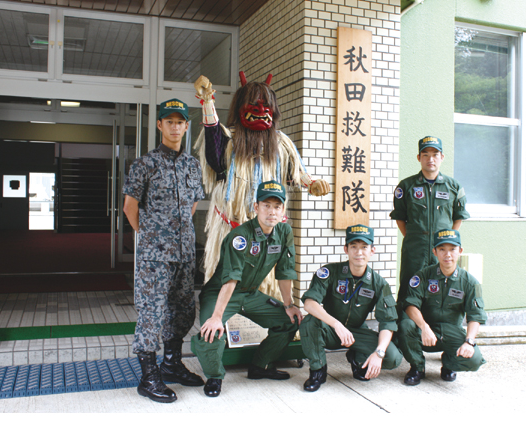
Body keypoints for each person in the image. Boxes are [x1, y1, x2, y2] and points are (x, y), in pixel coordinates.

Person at [192, 73, 329, 298]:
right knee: (228, 288)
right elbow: (214, 151)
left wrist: (312, 184)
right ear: (240, 106)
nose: (260, 109)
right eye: (254, 104)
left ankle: (271, 326)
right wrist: (208, 102)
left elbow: (295, 173)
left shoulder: (281, 143)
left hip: (268, 236)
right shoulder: (229, 141)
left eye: (266, 105)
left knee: (268, 293)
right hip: (232, 230)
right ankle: (223, 328)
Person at [122, 98, 206, 403]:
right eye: (168, 121)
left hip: (184, 254)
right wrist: (147, 235)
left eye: (179, 122)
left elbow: (194, 203)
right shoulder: (145, 164)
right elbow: (130, 207)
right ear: (159, 125)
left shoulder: (191, 164)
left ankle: (171, 364)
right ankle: (148, 376)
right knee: (151, 314)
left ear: (186, 126)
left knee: (182, 311)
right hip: (155, 257)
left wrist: (178, 230)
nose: (174, 127)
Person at [193, 180, 303, 398]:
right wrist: (217, 316)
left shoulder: (284, 232)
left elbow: (285, 271)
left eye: (277, 206)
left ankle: (260, 366)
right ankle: (215, 376)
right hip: (222, 293)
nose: (272, 212)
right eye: (266, 205)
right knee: (211, 331)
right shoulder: (241, 237)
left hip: (250, 294)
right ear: (256, 207)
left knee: (290, 321)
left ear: (283, 209)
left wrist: (289, 305)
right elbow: (231, 279)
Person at [299, 224, 402, 392]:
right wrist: (336, 325)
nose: (359, 252)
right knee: (310, 322)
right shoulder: (329, 272)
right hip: (331, 330)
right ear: (346, 249)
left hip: (356, 332)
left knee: (392, 357)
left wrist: (379, 353)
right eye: (354, 247)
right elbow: (310, 303)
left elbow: (388, 322)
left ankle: (358, 358)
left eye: (364, 247)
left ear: (372, 251)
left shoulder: (379, 283)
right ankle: (318, 370)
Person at [398, 229, 486, 386]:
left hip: (451, 332)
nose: (448, 255)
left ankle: (449, 364)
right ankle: (417, 367)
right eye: (442, 249)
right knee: (405, 325)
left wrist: (469, 342)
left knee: (475, 360)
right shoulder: (422, 276)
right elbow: (410, 305)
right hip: (425, 331)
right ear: (435, 252)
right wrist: (424, 327)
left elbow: (476, 316)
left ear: (460, 251)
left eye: (452, 249)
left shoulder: (470, 283)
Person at [390, 136, 470, 308]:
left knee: (440, 286)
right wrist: (415, 236)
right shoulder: (406, 186)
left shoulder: (453, 187)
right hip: (415, 248)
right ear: (419, 158)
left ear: (442, 157)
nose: (430, 159)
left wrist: (447, 241)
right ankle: (405, 327)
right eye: (425, 154)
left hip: (442, 249)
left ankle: (436, 327)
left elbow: (458, 217)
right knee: (410, 284)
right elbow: (400, 217)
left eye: (435, 154)